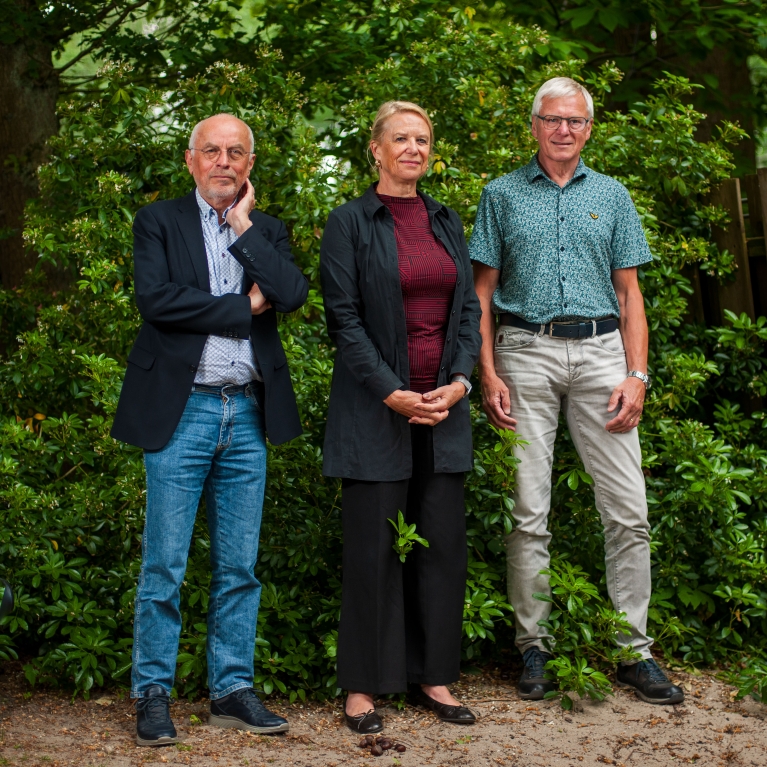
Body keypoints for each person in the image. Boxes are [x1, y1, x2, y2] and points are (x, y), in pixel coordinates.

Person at [470, 78, 684, 706]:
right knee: (528, 512)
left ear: (590, 129)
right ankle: (533, 647)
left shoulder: (613, 196)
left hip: (601, 356)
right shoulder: (501, 195)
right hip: (524, 354)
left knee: (628, 511)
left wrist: (637, 375)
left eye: (575, 121)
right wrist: (487, 372)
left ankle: (633, 651)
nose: (563, 130)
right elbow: (481, 295)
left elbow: (630, 295)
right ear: (533, 125)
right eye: (552, 119)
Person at [111, 113, 309, 745]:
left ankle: (231, 688)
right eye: (213, 152)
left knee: (239, 566)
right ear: (192, 160)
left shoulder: (267, 230)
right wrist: (244, 307)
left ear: (249, 165)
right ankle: (152, 693)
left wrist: (245, 229)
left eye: (236, 153)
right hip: (183, 409)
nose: (224, 161)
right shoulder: (158, 222)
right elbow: (157, 301)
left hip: (247, 412)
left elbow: (293, 293)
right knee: (164, 565)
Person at [320, 101, 482, 733]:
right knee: (373, 551)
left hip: (443, 411)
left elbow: (467, 309)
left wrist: (460, 382)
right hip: (375, 410)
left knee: (441, 548)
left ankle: (432, 679)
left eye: (423, 139)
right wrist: (391, 391)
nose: (413, 148)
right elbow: (344, 319)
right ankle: (363, 689)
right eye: (401, 139)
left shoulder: (446, 220)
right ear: (376, 150)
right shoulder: (349, 222)